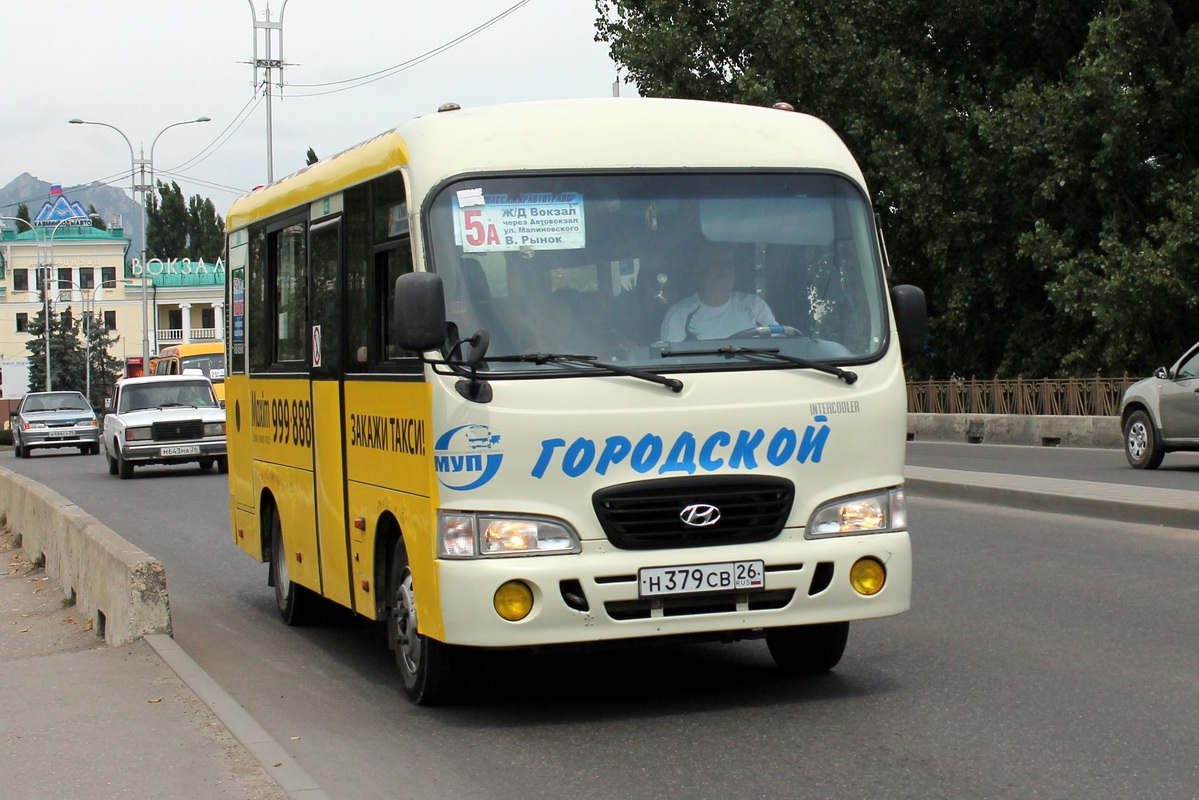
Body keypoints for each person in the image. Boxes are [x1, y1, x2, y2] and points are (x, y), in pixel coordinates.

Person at [660, 242, 777, 342]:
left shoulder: (755, 305)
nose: (725, 270)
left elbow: (779, 343)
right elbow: (670, 362)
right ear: (698, 271)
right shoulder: (679, 315)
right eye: (716, 263)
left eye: (729, 264)